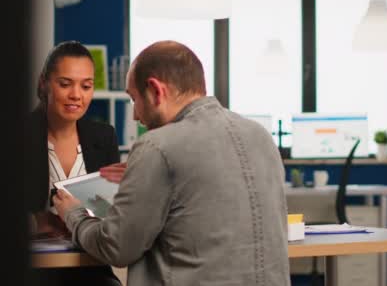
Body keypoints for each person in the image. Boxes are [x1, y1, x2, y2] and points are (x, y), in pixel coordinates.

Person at [53, 40, 291, 285]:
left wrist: (74, 214)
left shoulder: (158, 146)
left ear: (156, 91)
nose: (136, 116)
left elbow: (115, 247)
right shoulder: (260, 136)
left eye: (134, 100)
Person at [27, 41, 121, 286]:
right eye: (65, 84)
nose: (76, 95)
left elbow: (112, 213)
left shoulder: (104, 137)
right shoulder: (16, 135)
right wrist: (38, 222)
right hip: (32, 272)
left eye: (86, 86)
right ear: (44, 83)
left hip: (90, 269)